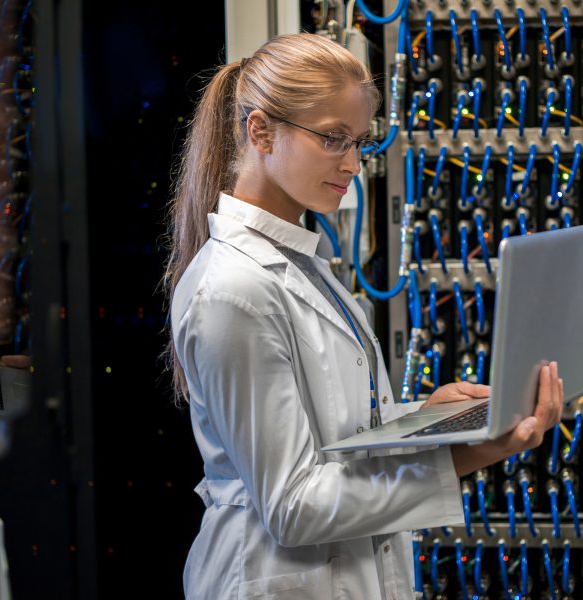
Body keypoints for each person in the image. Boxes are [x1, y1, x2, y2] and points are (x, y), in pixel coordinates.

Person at [163, 33, 563, 600]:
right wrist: (467, 455)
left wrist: (419, 421)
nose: (353, 163)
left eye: (358, 143)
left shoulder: (298, 263)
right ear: (260, 132)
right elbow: (292, 506)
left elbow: (332, 435)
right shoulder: (233, 289)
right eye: (332, 139)